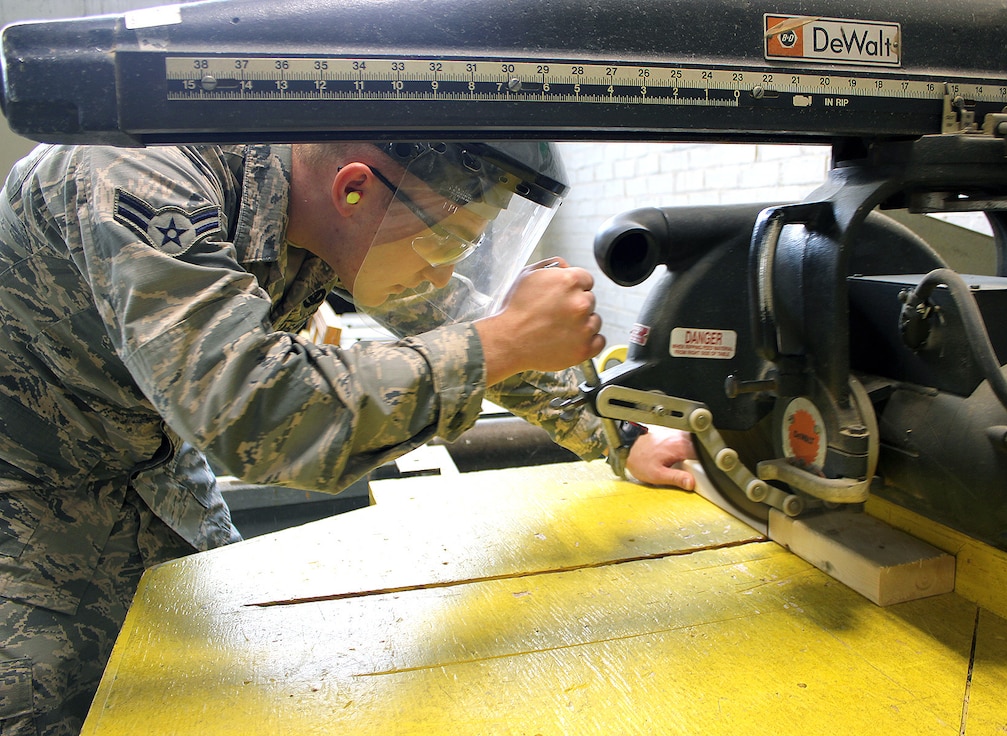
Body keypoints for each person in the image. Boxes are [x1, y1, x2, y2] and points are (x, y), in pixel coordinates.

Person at [0, 138, 695, 734]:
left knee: (219, 697)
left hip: (159, 481)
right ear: (354, 190)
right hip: (23, 504)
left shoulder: (344, 209)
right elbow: (258, 415)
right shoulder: (135, 178)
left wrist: (620, 435)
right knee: (54, 707)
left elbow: (441, 308)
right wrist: (502, 341)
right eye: (447, 242)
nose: (447, 269)